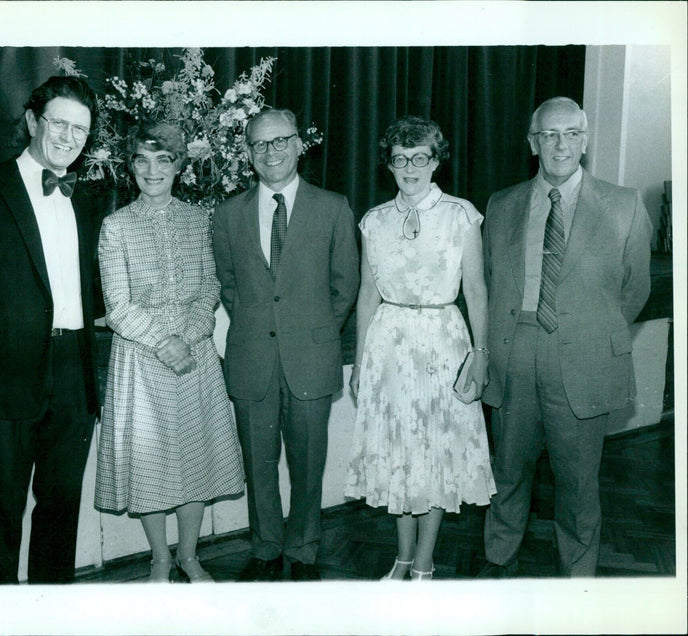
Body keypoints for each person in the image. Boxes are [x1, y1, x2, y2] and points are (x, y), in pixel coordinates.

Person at [0, 75, 102, 584]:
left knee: (60, 513)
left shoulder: (88, 197)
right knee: (2, 516)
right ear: (33, 121)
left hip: (73, 373)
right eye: (58, 122)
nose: (68, 137)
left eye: (81, 129)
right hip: (3, 381)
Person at [479, 97, 652, 578]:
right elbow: (493, 280)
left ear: (586, 140)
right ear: (533, 143)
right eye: (549, 135)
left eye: (571, 133)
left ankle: (577, 573)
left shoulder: (623, 204)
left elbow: (635, 288)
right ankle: (498, 557)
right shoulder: (503, 203)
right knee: (508, 470)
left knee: (578, 481)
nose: (561, 144)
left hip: (582, 357)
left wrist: (588, 328)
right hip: (516, 351)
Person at [345, 116, 496, 581]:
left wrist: (481, 352)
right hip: (388, 343)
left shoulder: (460, 215)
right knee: (398, 452)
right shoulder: (374, 220)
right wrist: (359, 360)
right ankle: (403, 557)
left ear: (436, 161)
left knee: (435, 453)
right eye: (400, 159)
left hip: (442, 340)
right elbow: (367, 293)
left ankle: (425, 562)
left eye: (420, 157)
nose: (410, 167)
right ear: (389, 165)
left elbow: (476, 288)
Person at [94, 122, 244, 583]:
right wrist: (163, 341)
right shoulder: (115, 226)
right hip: (141, 358)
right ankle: (160, 557)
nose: (153, 170)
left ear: (179, 166)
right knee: (150, 463)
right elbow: (117, 305)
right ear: (131, 167)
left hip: (194, 356)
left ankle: (189, 555)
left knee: (196, 457)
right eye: (142, 159)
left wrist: (192, 336)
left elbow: (210, 288)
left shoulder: (200, 220)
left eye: (164, 160)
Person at [213, 108, 360, 581]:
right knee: (257, 464)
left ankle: (304, 547)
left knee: (308, 462)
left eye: (281, 142)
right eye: (260, 144)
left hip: (312, 358)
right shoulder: (228, 214)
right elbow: (229, 286)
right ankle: (266, 545)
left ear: (299, 145)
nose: (271, 152)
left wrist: (312, 331)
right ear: (248, 153)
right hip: (252, 357)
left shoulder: (333, 206)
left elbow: (345, 286)